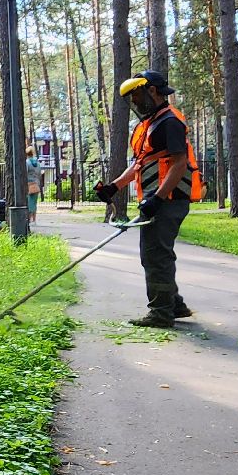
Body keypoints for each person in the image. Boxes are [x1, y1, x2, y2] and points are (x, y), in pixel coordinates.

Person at [94, 70, 203, 328]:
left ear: (152, 91)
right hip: (159, 200)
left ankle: (161, 313)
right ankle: (174, 305)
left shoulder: (170, 122)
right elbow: (140, 164)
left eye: (136, 95)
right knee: (157, 254)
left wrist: (159, 198)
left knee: (155, 255)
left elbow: (179, 164)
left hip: (169, 199)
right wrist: (113, 187)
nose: (133, 101)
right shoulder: (149, 124)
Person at [24, 141, 42, 219]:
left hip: (28, 184)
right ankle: (34, 219)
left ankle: (29, 218)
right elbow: (39, 173)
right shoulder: (37, 163)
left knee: (28, 202)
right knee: (34, 202)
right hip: (36, 184)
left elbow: (25, 173)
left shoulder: (27, 162)